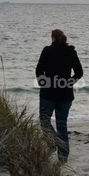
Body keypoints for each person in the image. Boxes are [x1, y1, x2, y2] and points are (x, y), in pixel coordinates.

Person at [35, 29, 83, 162]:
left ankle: (52, 143)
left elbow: (39, 70)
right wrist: (69, 83)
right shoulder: (71, 51)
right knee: (62, 125)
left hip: (48, 94)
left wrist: (44, 83)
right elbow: (79, 72)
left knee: (44, 121)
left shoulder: (47, 50)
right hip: (65, 94)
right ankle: (62, 158)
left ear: (53, 38)